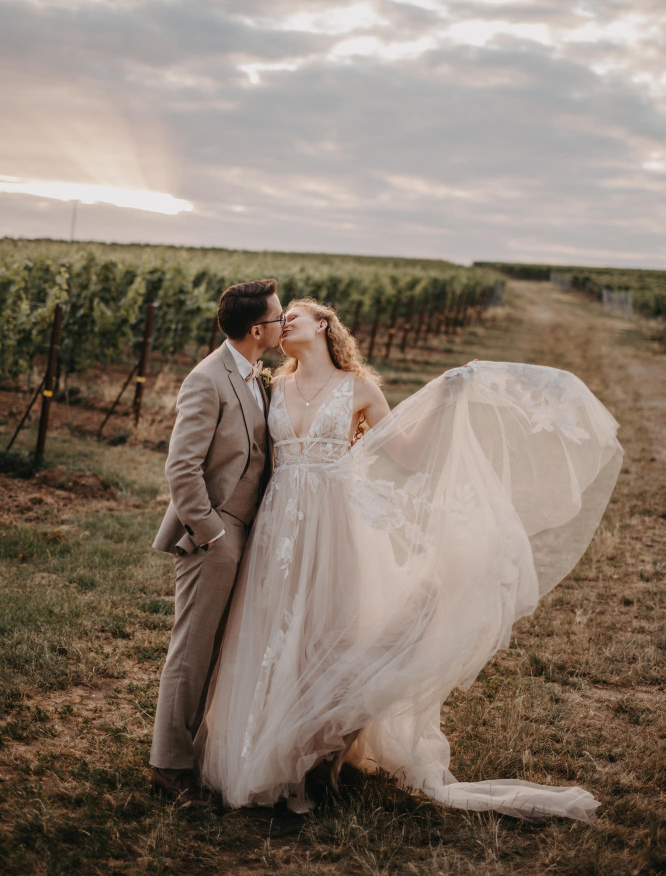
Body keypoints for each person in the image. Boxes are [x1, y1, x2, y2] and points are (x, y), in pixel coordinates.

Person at [196, 298, 623, 820]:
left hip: (334, 527)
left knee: (329, 636)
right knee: (274, 634)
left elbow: (406, 456)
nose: (283, 324)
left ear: (323, 324)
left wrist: (444, 397)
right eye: (279, 320)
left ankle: (311, 762)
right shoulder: (273, 387)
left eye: (294, 316)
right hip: (279, 529)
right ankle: (266, 756)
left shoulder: (359, 388)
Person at [149, 278, 284, 803]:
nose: (283, 323)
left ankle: (200, 754)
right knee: (193, 649)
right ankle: (169, 766)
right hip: (214, 535)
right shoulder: (207, 379)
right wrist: (213, 533)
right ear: (257, 330)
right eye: (277, 318)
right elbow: (181, 468)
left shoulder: (256, 375)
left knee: (222, 649)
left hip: (250, 531)